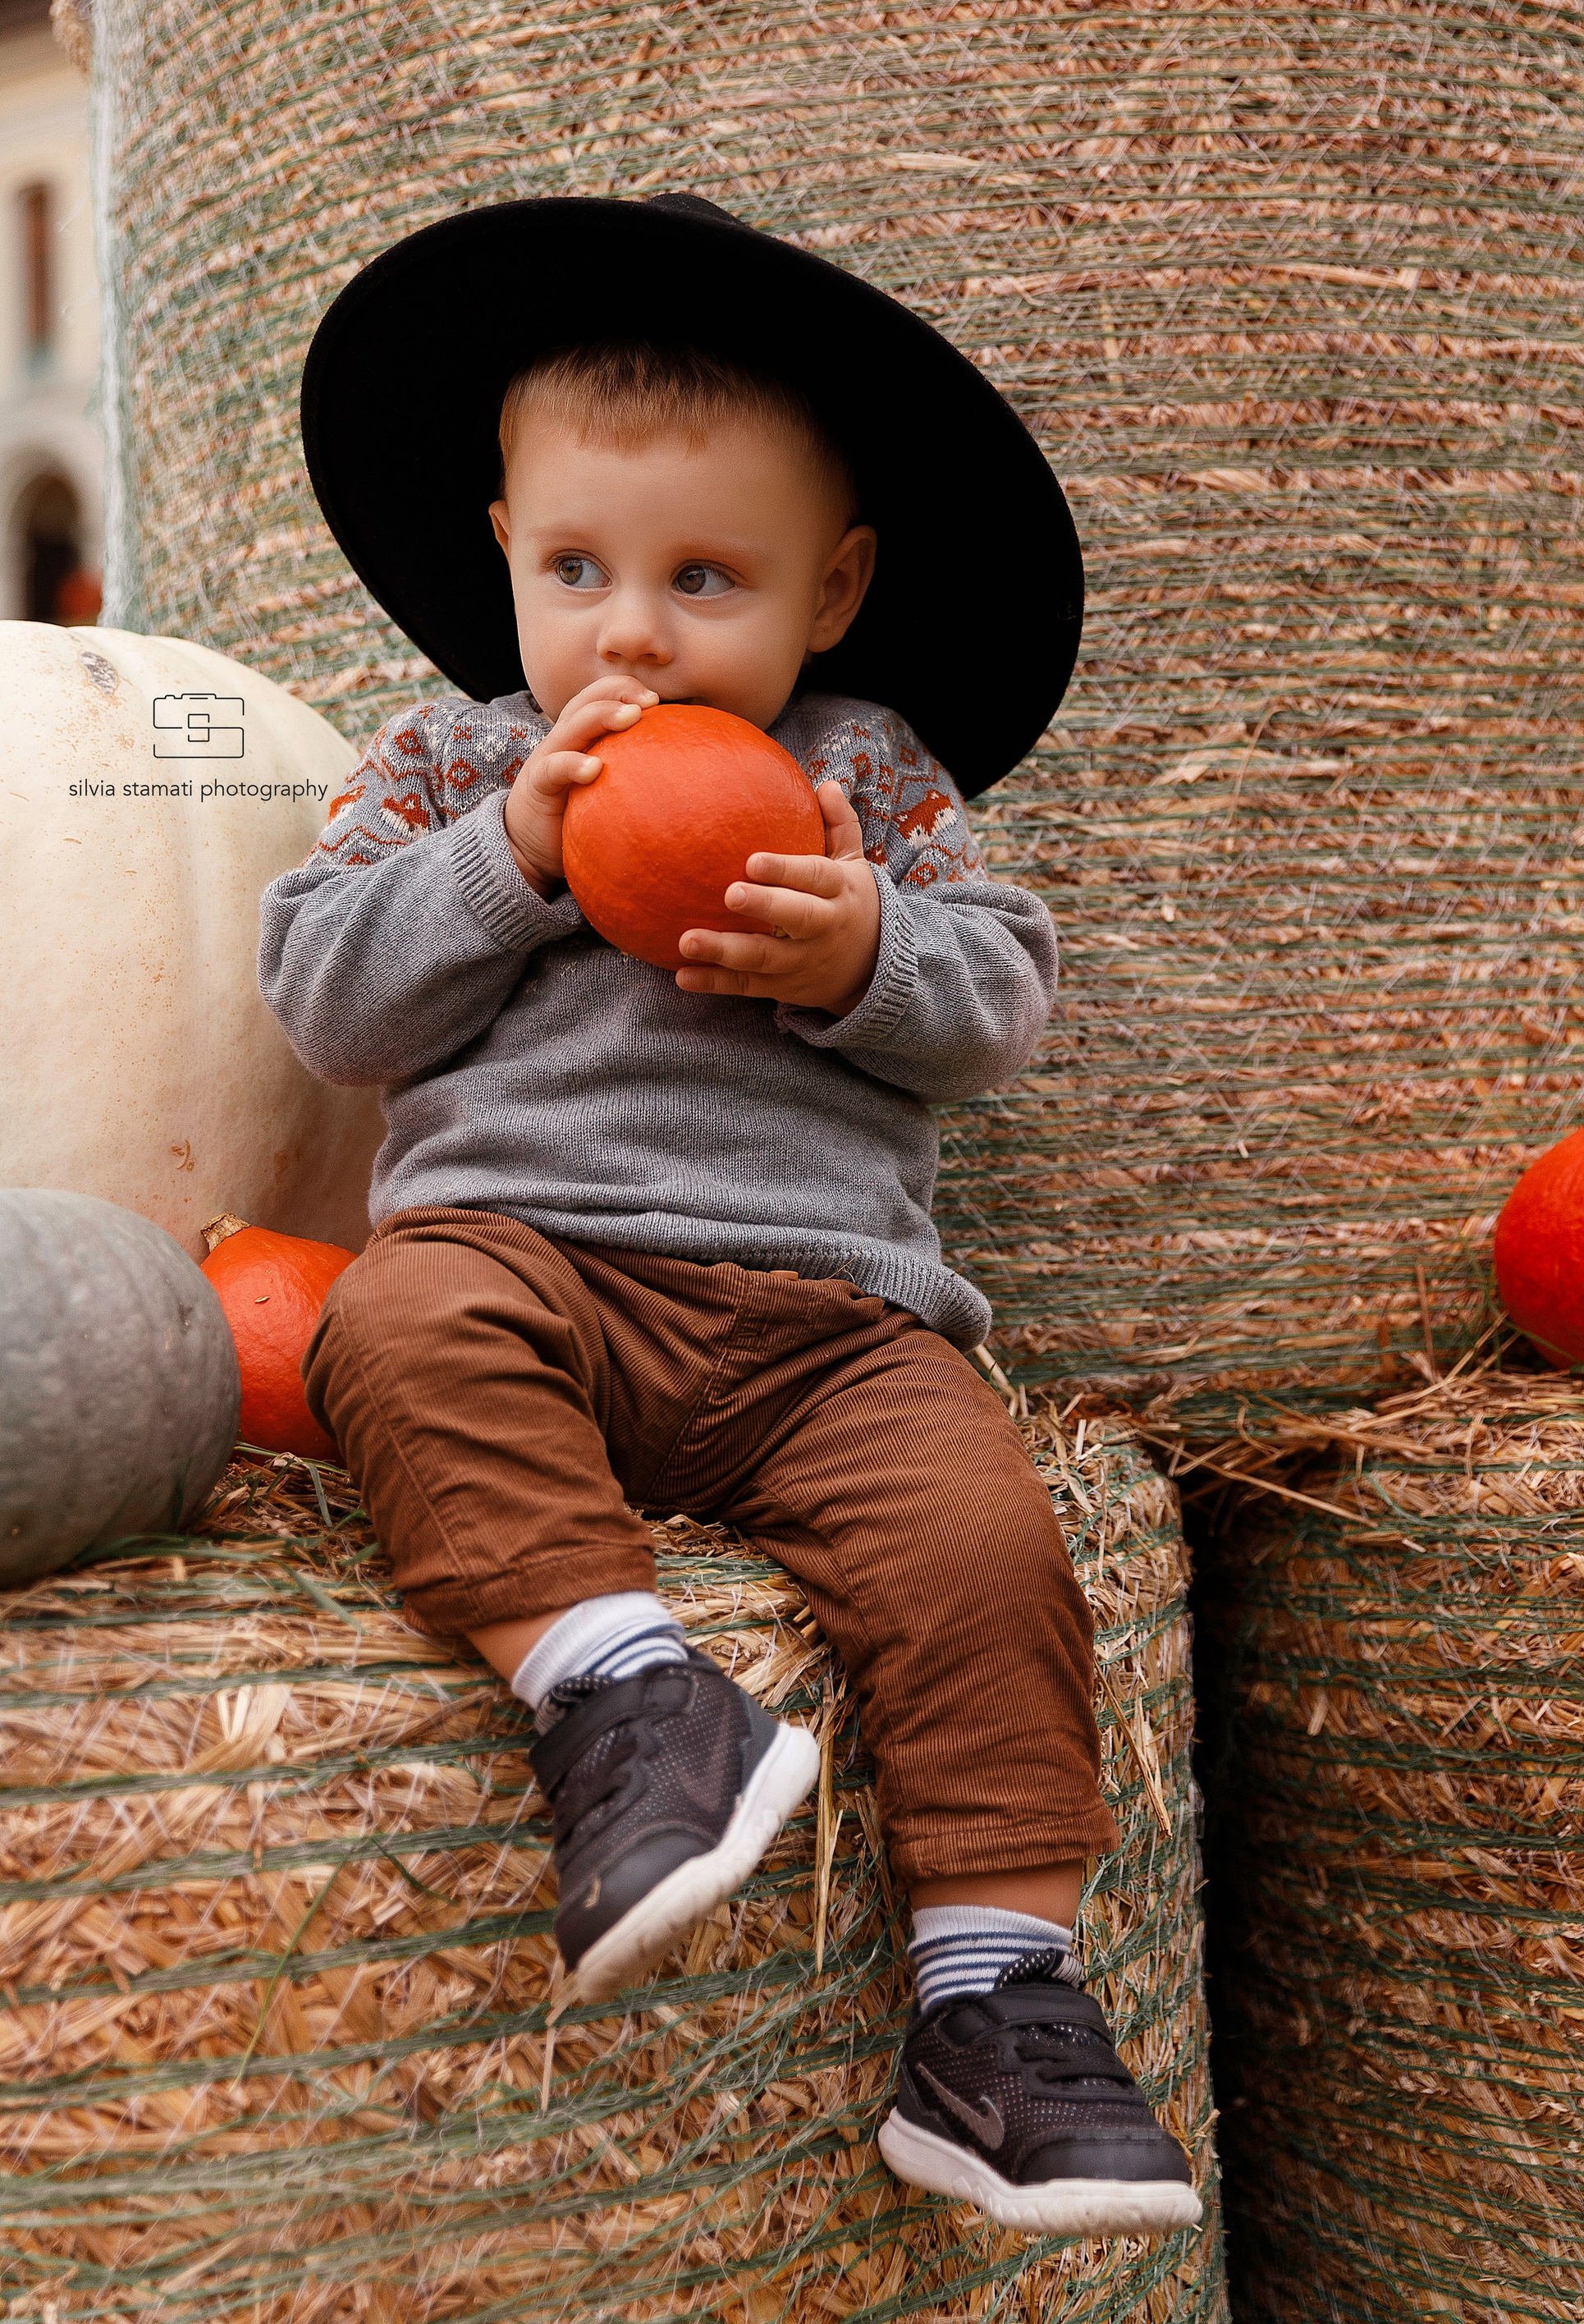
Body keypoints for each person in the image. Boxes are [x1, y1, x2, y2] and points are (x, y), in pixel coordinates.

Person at [260, 195, 1201, 2239]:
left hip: (824, 1324)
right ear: (502, 546)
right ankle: (625, 1690)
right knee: (387, 1336)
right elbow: (324, 996)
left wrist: (865, 948)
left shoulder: (865, 775)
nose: (633, 633)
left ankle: (996, 2006)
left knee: (981, 1544)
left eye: (707, 578)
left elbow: (1001, 999)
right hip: (527, 1266)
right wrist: (509, 858)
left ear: (832, 586)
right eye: (579, 568)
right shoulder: (441, 765)